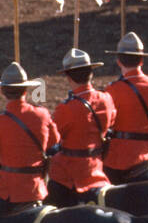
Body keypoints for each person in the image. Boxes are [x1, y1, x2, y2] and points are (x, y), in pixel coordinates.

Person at [0, 62, 59, 223]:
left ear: (3, 91)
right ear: (26, 90)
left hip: (8, 189)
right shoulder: (42, 114)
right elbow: (54, 141)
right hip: (36, 188)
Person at [48, 48, 115, 207]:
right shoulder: (106, 98)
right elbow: (111, 122)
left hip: (70, 175)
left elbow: (50, 139)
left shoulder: (66, 108)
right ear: (91, 73)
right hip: (96, 167)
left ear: (68, 77)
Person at [103, 32, 148, 184]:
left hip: (119, 160)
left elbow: (106, 124)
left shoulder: (113, 89)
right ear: (142, 60)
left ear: (119, 61)